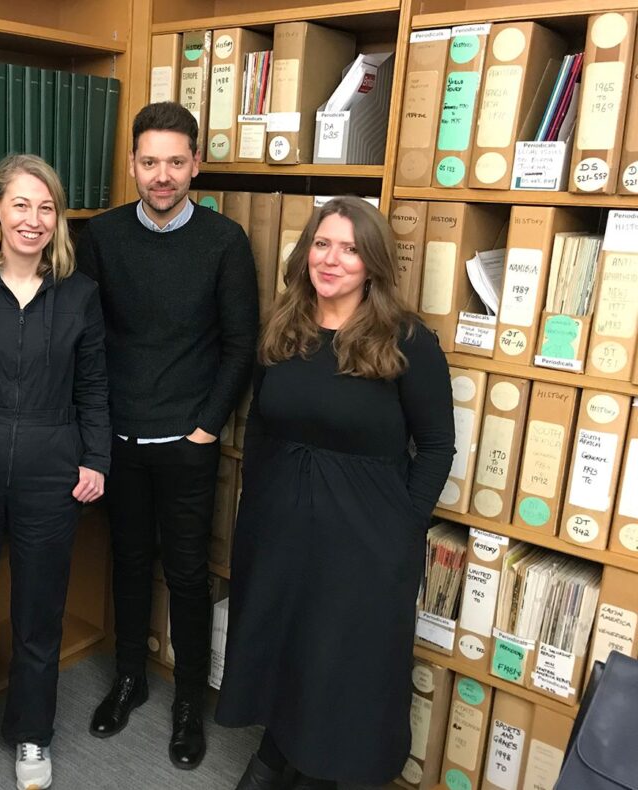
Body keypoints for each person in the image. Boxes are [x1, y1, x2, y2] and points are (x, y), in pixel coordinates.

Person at [215, 197, 456, 790]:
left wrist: (402, 525)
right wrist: (259, 506)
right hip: (281, 522)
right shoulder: (284, 327)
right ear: (306, 253)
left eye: (350, 249)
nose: (332, 259)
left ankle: (321, 767)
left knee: (340, 657)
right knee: (288, 644)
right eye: (323, 244)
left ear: (372, 263)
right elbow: (264, 425)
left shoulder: (407, 341)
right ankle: (279, 751)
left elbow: (436, 446)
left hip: (366, 533)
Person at [77, 101, 259, 770]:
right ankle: (129, 678)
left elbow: (241, 344)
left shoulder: (224, 241)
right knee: (127, 563)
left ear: (196, 164)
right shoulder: (100, 237)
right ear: (131, 164)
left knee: (185, 574)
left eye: (176, 162)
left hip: (189, 441)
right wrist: (98, 430)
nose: (162, 175)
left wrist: (206, 429)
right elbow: (89, 341)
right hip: (121, 439)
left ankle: (187, 701)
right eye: (149, 162)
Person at [0, 154, 110, 790]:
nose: (33, 219)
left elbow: (93, 384)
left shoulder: (81, 295)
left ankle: (32, 735)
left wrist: (95, 458)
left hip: (51, 469)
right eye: (22, 205)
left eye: (46, 208)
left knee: (40, 617)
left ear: (57, 219)